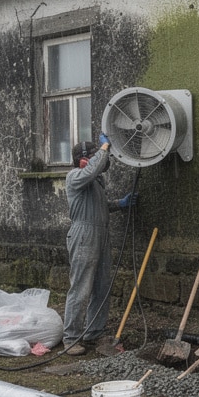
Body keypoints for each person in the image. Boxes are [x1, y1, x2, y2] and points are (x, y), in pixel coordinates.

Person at [63, 133, 137, 356]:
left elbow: (99, 206)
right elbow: (91, 170)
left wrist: (119, 204)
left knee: (101, 286)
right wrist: (104, 147)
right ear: (84, 159)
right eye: (95, 155)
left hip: (101, 234)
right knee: (81, 287)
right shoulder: (75, 176)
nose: (103, 161)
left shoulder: (95, 182)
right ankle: (71, 338)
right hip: (84, 235)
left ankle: (94, 331)